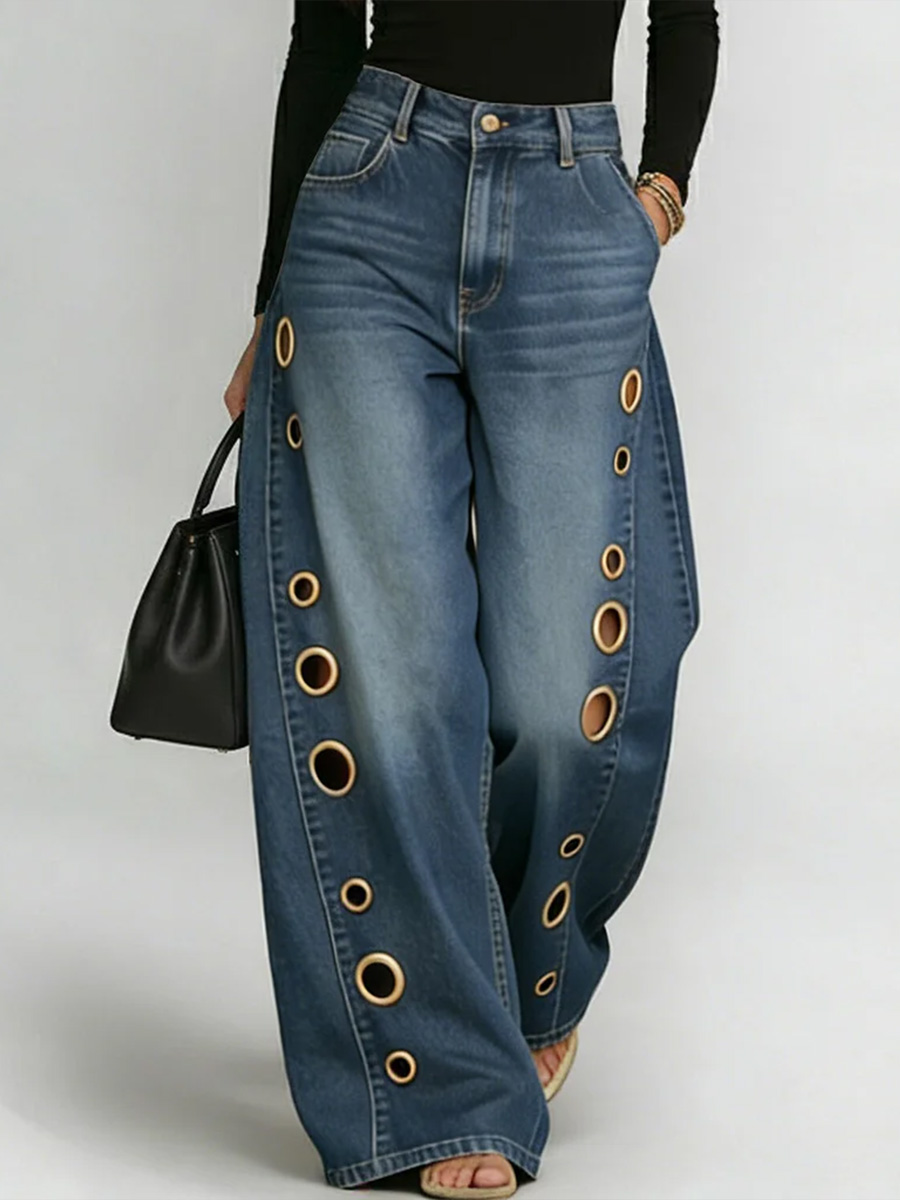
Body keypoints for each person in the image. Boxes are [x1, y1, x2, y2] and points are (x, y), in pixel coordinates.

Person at [225, 2, 719, 1196]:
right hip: (371, 200)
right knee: (394, 690)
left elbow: (688, 11)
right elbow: (325, 32)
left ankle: (527, 982)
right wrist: (272, 292)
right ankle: (447, 1087)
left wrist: (657, 196)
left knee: (567, 692)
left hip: (573, 203)